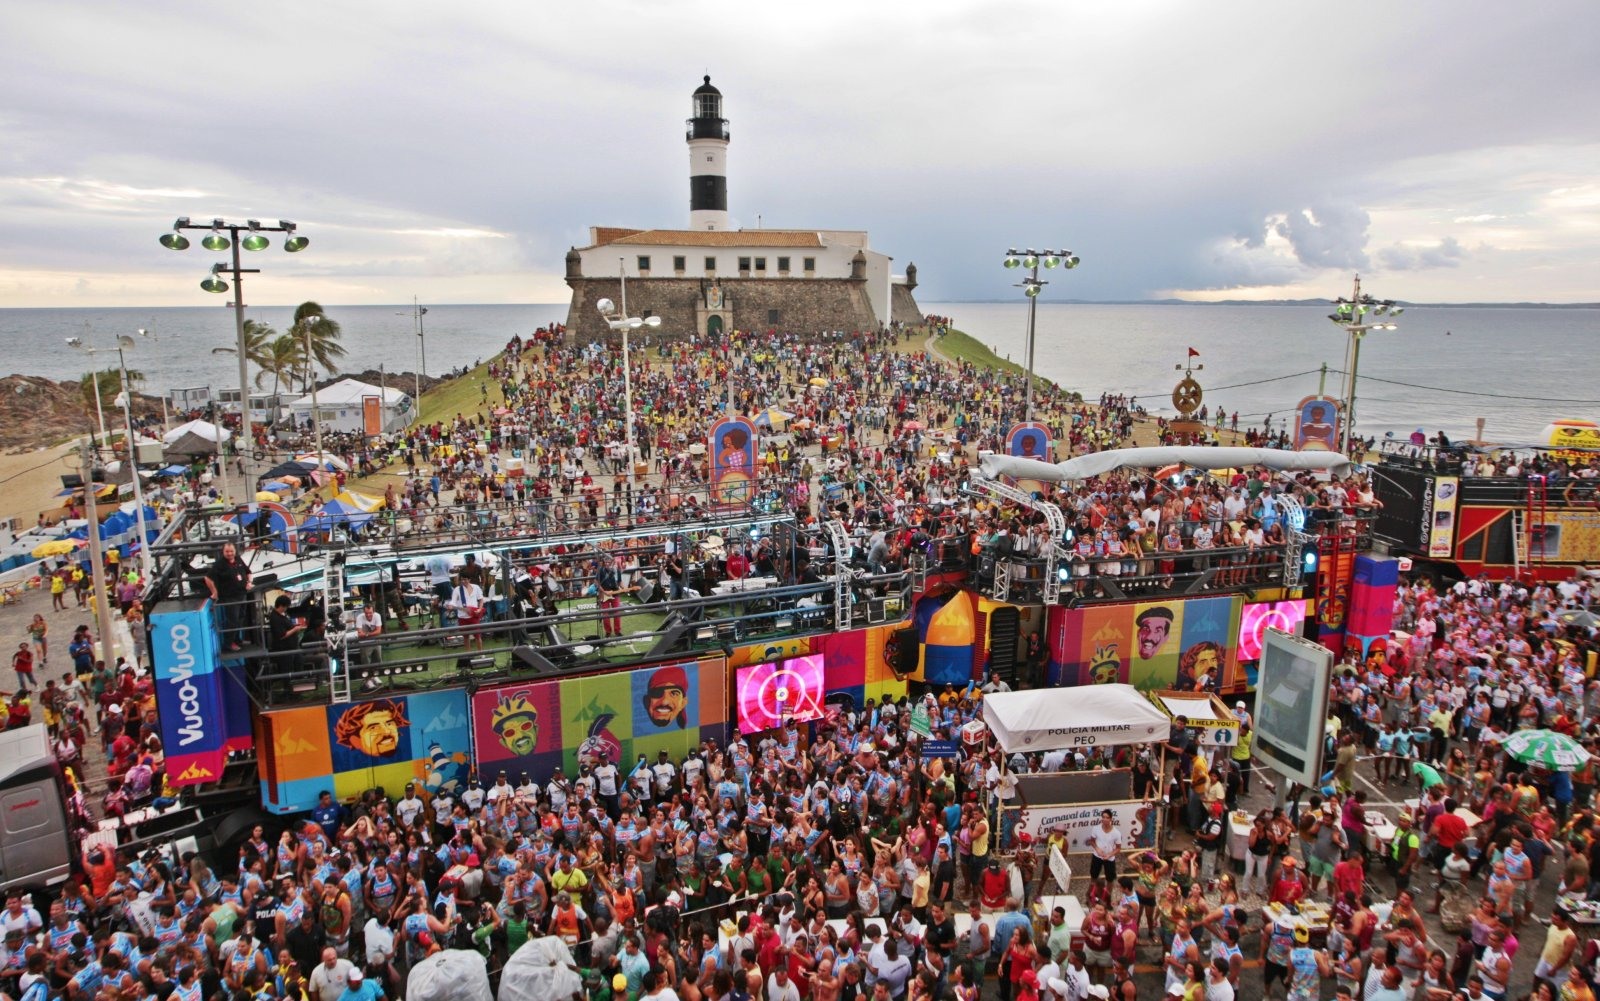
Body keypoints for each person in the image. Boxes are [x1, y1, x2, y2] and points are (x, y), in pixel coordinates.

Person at [205, 541, 253, 650]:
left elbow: (248, 572)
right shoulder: (220, 564)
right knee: (233, 620)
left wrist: (249, 582)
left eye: (231, 551)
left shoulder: (238, 559)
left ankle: (237, 640)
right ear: (223, 552)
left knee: (241, 618)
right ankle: (229, 644)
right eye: (227, 551)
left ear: (235, 551)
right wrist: (214, 592)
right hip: (230, 597)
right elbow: (207, 578)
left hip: (242, 594)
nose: (229, 553)